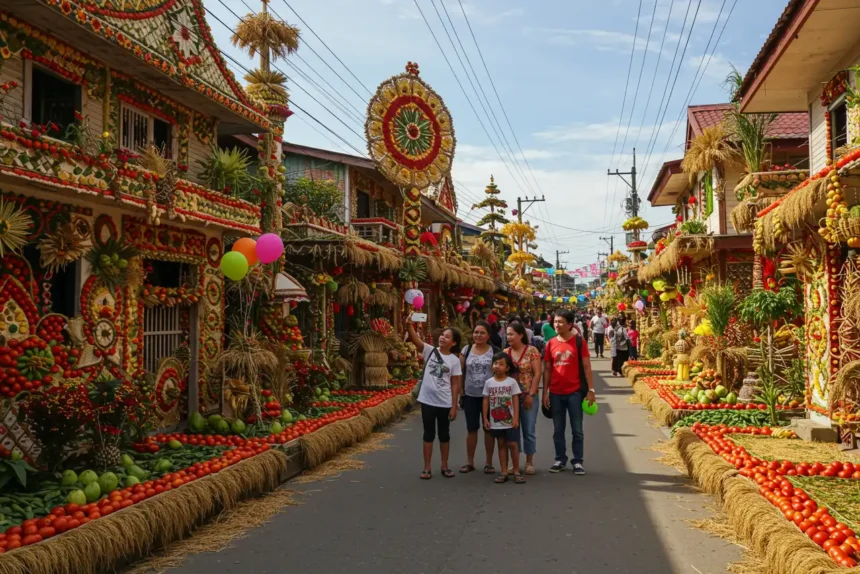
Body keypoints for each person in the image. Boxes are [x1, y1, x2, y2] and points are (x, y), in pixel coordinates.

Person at [407, 322, 463, 480]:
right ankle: (427, 467)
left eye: (447, 337)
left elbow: (455, 384)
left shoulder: (454, 360)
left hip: (444, 402)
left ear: (454, 343)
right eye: (442, 335)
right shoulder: (430, 351)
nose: (443, 338)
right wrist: (409, 326)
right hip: (427, 401)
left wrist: (454, 406)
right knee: (428, 433)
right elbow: (416, 340)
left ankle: (445, 466)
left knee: (444, 434)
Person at [543, 309, 595, 475]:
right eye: (555, 321)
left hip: (575, 392)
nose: (556, 325)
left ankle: (578, 461)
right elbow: (548, 370)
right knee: (558, 429)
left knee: (577, 429)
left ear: (570, 324)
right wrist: (545, 392)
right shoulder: (550, 343)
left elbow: (587, 366)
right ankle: (560, 459)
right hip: (556, 393)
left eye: (560, 322)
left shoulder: (579, 342)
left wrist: (591, 390)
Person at [459, 321, 499, 474]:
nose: (478, 335)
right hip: (470, 395)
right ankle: (470, 462)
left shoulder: (494, 352)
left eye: (482, 333)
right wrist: (460, 391)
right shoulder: (466, 350)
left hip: (489, 397)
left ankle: (489, 462)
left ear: (488, 335)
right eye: (476, 332)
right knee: (471, 429)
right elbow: (460, 371)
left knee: (488, 429)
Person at [505, 322, 542, 475]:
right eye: (507, 334)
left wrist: (531, 395)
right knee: (512, 430)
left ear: (521, 335)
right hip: (510, 398)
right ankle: (514, 462)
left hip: (528, 396)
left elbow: (537, 373)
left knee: (528, 429)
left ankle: (529, 461)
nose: (509, 337)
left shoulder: (532, 351)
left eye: (512, 334)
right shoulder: (505, 353)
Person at [482, 352, 524, 484]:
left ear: (507, 368)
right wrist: (485, 418)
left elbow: (515, 400)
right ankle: (504, 471)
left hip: (510, 420)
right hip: (496, 421)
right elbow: (485, 400)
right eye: (495, 363)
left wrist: (516, 417)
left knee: (513, 444)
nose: (497, 366)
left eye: (501, 364)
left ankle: (516, 471)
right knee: (501, 445)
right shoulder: (489, 383)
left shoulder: (512, 382)